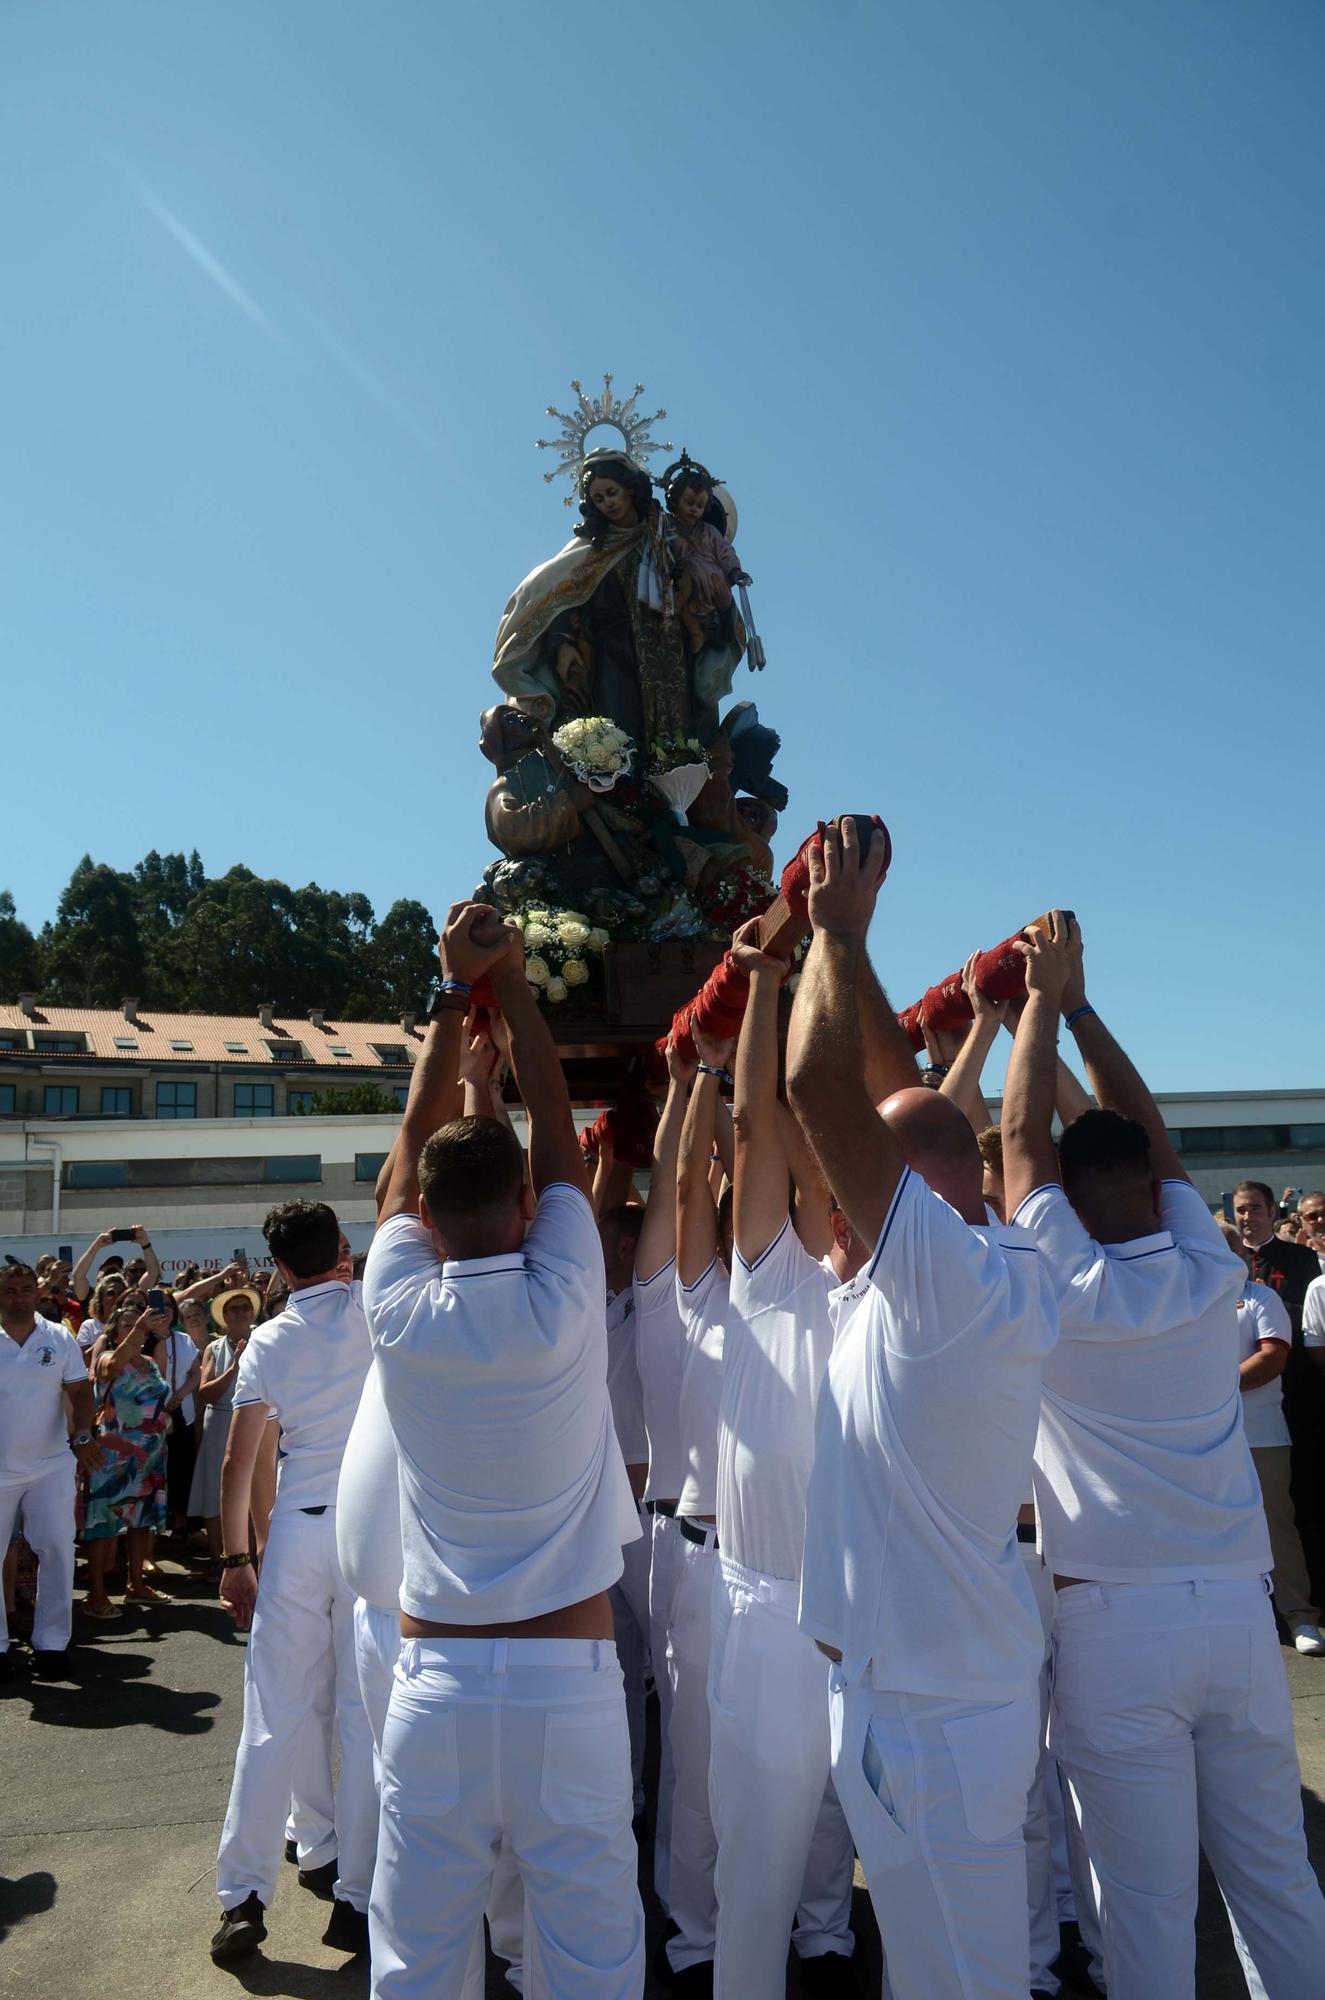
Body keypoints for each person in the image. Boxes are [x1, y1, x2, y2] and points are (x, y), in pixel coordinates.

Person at [1006, 912, 1325, 2000]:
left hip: (1112, 1620)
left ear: (1063, 1195)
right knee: (1275, 1873)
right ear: (1153, 1187)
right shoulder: (1204, 1265)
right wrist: (1075, 1001)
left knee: (1139, 1902)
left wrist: (1026, 1013)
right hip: (1236, 1612)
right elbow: (1148, 1132)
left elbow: (1013, 1144)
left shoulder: (1054, 1278)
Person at [790, 820, 1058, 2000]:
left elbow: (816, 1085)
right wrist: (853, 948)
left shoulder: (939, 1279)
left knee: (970, 1976)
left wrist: (836, 933)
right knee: (939, 1965)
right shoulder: (993, 1259)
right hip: (930, 1689)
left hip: (926, 1713)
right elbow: (895, 1092)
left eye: (854, 1196)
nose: (836, 1217)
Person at [363, 901, 644, 2000]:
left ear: (419, 1225)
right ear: (528, 1207)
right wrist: (516, 993)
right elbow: (564, 1144)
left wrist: (452, 997)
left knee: (419, 1957)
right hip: (566, 1682)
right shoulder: (569, 1287)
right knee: (588, 1954)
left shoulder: (394, 1306)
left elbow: (401, 1164)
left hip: (432, 1677)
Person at [707, 916, 863, 1998]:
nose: (826, 1190)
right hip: (767, 1614)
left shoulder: (908, 1291)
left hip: (877, 1614)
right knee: (756, 1874)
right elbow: (762, 1122)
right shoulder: (769, 1278)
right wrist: (768, 983)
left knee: (901, 1864)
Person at [210, 1201, 376, 1965]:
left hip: (301, 1532)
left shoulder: (269, 1341)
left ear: (278, 1268)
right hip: (375, 1532)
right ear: (342, 1251)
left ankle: (244, 1895)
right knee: (363, 1716)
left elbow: (239, 1465)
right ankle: (356, 1894)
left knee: (274, 1713)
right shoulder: (378, 1308)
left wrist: (236, 1559)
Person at [632, 1032, 697, 1922]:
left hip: (794, 1552)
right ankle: (692, 1935)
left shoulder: (791, 1284)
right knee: (691, 1755)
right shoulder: (657, 1300)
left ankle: (823, 1925)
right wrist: (690, 1089)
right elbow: (675, 1189)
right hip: (676, 1537)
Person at [1217, 1219, 1325, 1655]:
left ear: (1242, 1255)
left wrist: (1205, 1388)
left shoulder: (1261, 1298)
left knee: (1276, 1527)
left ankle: (1300, 1616)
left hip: (1261, 1437)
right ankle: (1231, 1620)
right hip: (1202, 1440)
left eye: (1226, 1249)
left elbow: (1271, 1358)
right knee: (1214, 1531)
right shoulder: (1185, 1303)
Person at [0, 1262, 102, 1678]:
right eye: (10, 1290)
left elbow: (80, 1391)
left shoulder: (58, 1336)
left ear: (37, 1291)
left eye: (26, 1288)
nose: (19, 1296)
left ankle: (52, 1645)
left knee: (57, 1550)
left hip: (51, 1464)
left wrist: (82, 1435)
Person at [83, 1294, 173, 1615]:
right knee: (105, 1524)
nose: (135, 1328)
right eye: (126, 1324)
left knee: (141, 1522)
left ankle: (135, 1585)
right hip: (112, 1458)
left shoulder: (149, 1364)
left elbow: (161, 1399)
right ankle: (95, 1595)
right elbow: (112, 1369)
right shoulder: (107, 1357)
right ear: (114, 1332)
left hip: (148, 1457)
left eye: (138, 1324)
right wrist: (139, 1329)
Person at [187, 1288, 259, 1571]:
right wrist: (234, 1367)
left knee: (254, 1491)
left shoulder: (264, 1342)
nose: (240, 1312)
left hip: (255, 1421)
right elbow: (206, 1393)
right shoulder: (214, 1349)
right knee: (215, 1490)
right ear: (224, 1316)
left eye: (244, 1307)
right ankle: (219, 1560)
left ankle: (253, 1560)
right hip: (219, 1421)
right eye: (233, 1308)